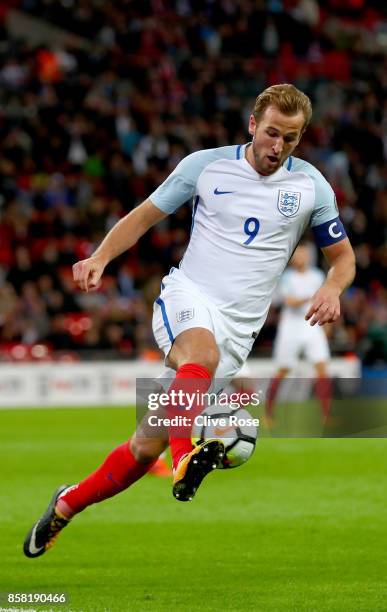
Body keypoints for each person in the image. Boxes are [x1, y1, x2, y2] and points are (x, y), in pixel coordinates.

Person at [23, 84, 355, 558]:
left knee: (142, 449)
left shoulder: (311, 187)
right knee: (200, 355)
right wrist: (100, 257)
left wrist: (332, 287)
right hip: (188, 296)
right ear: (252, 125)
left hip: (239, 332)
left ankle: (66, 503)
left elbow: (343, 259)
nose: (277, 148)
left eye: (291, 139)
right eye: (272, 134)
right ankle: (185, 461)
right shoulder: (205, 166)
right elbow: (143, 217)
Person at [265, 243, 333, 426]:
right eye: (298, 254)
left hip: (313, 326)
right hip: (291, 326)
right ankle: (268, 413)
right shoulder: (286, 277)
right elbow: (289, 301)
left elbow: (326, 301)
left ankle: (326, 416)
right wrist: (312, 296)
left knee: (322, 369)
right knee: (282, 370)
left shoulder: (318, 275)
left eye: (303, 254)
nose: (300, 257)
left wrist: (327, 327)